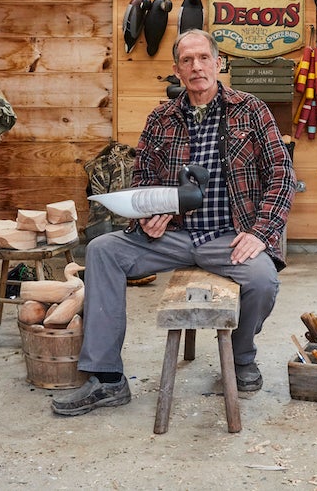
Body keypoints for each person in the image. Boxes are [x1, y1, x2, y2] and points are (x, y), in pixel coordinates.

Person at [51, 28, 296, 416]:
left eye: (203, 58)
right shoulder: (161, 119)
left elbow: (282, 175)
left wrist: (260, 233)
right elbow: (143, 178)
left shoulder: (251, 110)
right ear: (177, 70)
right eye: (187, 60)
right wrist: (149, 217)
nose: (196, 67)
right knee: (101, 250)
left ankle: (242, 357)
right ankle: (107, 378)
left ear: (219, 63)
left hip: (228, 236)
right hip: (174, 236)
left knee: (263, 281)